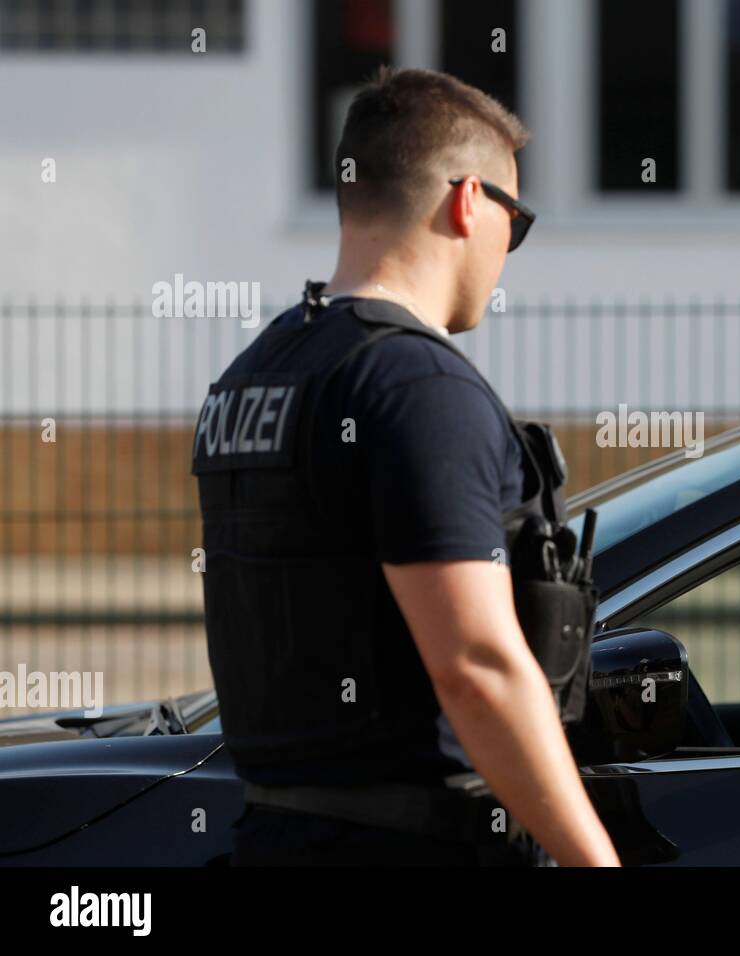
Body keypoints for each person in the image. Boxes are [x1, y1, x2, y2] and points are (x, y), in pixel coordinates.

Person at [193, 67, 619, 866]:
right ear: (468, 202)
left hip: (273, 837)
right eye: (514, 220)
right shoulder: (417, 385)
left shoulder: (253, 374)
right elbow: (478, 667)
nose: (509, 248)